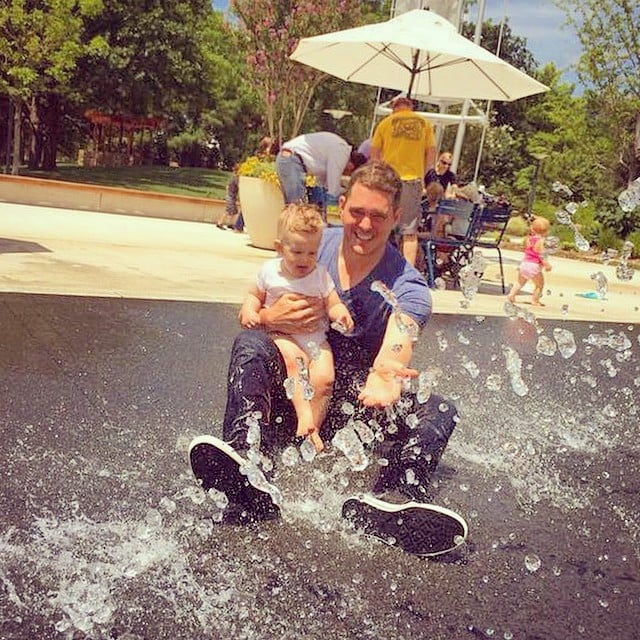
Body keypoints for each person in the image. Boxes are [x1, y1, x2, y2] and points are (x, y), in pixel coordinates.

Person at [189, 161, 465, 556]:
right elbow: (256, 299)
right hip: (294, 389)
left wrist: (386, 372)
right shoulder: (316, 242)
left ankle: (400, 496)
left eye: (377, 216)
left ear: (396, 217)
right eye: (357, 212)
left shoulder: (408, 284)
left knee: (440, 409)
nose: (365, 225)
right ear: (341, 205)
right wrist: (268, 318)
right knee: (250, 343)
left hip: (355, 403)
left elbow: (402, 333)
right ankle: (247, 459)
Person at [239, 203, 354, 454]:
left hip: (316, 339)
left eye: (312, 253)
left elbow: (332, 302)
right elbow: (253, 297)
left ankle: (312, 430)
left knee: (325, 379)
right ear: (279, 247)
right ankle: (303, 417)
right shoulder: (269, 272)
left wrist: (340, 314)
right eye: (297, 251)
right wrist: (250, 311)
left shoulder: (320, 275)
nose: (305, 259)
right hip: (282, 335)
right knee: (297, 362)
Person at [370, 95, 436, 267]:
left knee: (382, 225)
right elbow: (431, 152)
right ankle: (408, 272)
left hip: (388, 180)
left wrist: (377, 174)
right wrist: (427, 175)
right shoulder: (424, 124)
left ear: (394, 107)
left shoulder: (385, 123)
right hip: (412, 181)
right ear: (411, 106)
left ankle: (376, 265)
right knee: (409, 231)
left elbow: (374, 154)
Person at [275, 131, 367, 210]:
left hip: (291, 160)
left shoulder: (337, 151)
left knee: (304, 205)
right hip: (291, 160)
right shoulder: (342, 151)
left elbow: (323, 188)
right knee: (298, 208)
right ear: (351, 167)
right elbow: (333, 191)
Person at [507, 216, 552, 306]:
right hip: (534, 266)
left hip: (524, 264)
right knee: (539, 285)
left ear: (532, 228)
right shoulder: (541, 241)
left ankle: (511, 295)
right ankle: (535, 300)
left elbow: (528, 250)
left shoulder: (528, 239)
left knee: (520, 282)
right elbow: (541, 255)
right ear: (546, 231)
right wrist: (547, 265)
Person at [216, 164, 240, 230]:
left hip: (231, 196)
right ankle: (219, 223)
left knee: (234, 211)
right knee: (228, 211)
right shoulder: (235, 178)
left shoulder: (234, 177)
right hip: (230, 196)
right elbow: (238, 186)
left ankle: (230, 224)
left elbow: (227, 186)